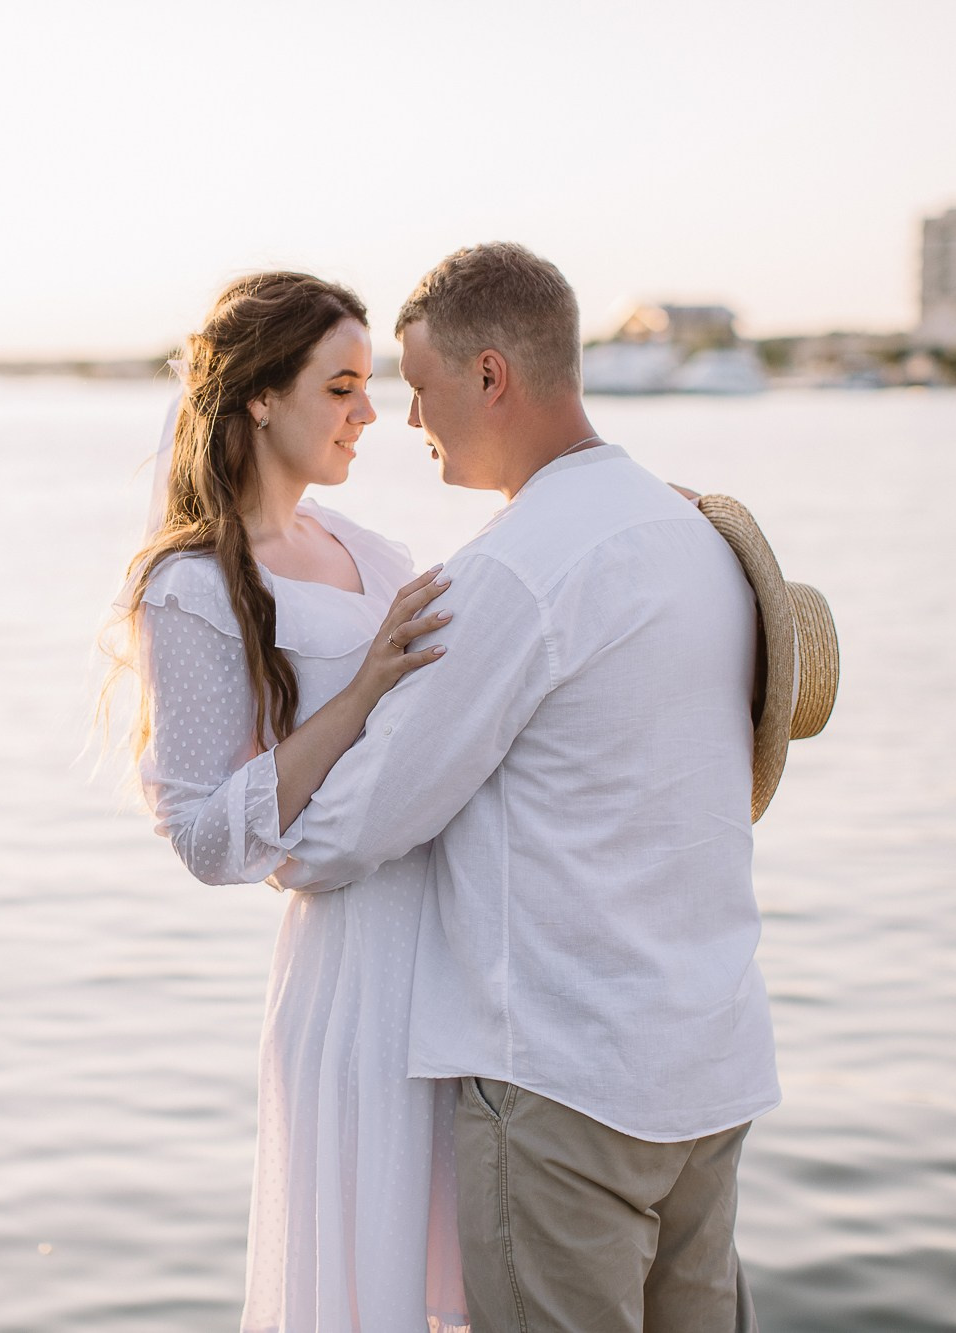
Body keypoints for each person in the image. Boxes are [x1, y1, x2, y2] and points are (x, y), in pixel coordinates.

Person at [268, 244, 778, 1332]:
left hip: (567, 1080)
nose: (411, 420)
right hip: (707, 1057)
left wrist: (274, 841)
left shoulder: (509, 571)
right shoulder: (694, 536)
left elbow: (365, 818)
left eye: (422, 385)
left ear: (490, 374)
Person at [111, 271, 471, 1332]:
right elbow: (210, 837)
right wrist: (361, 692)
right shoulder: (193, 587)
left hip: (453, 956)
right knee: (366, 1280)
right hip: (352, 971)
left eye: (370, 386)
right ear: (261, 397)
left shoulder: (373, 551)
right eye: (342, 387)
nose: (369, 414)